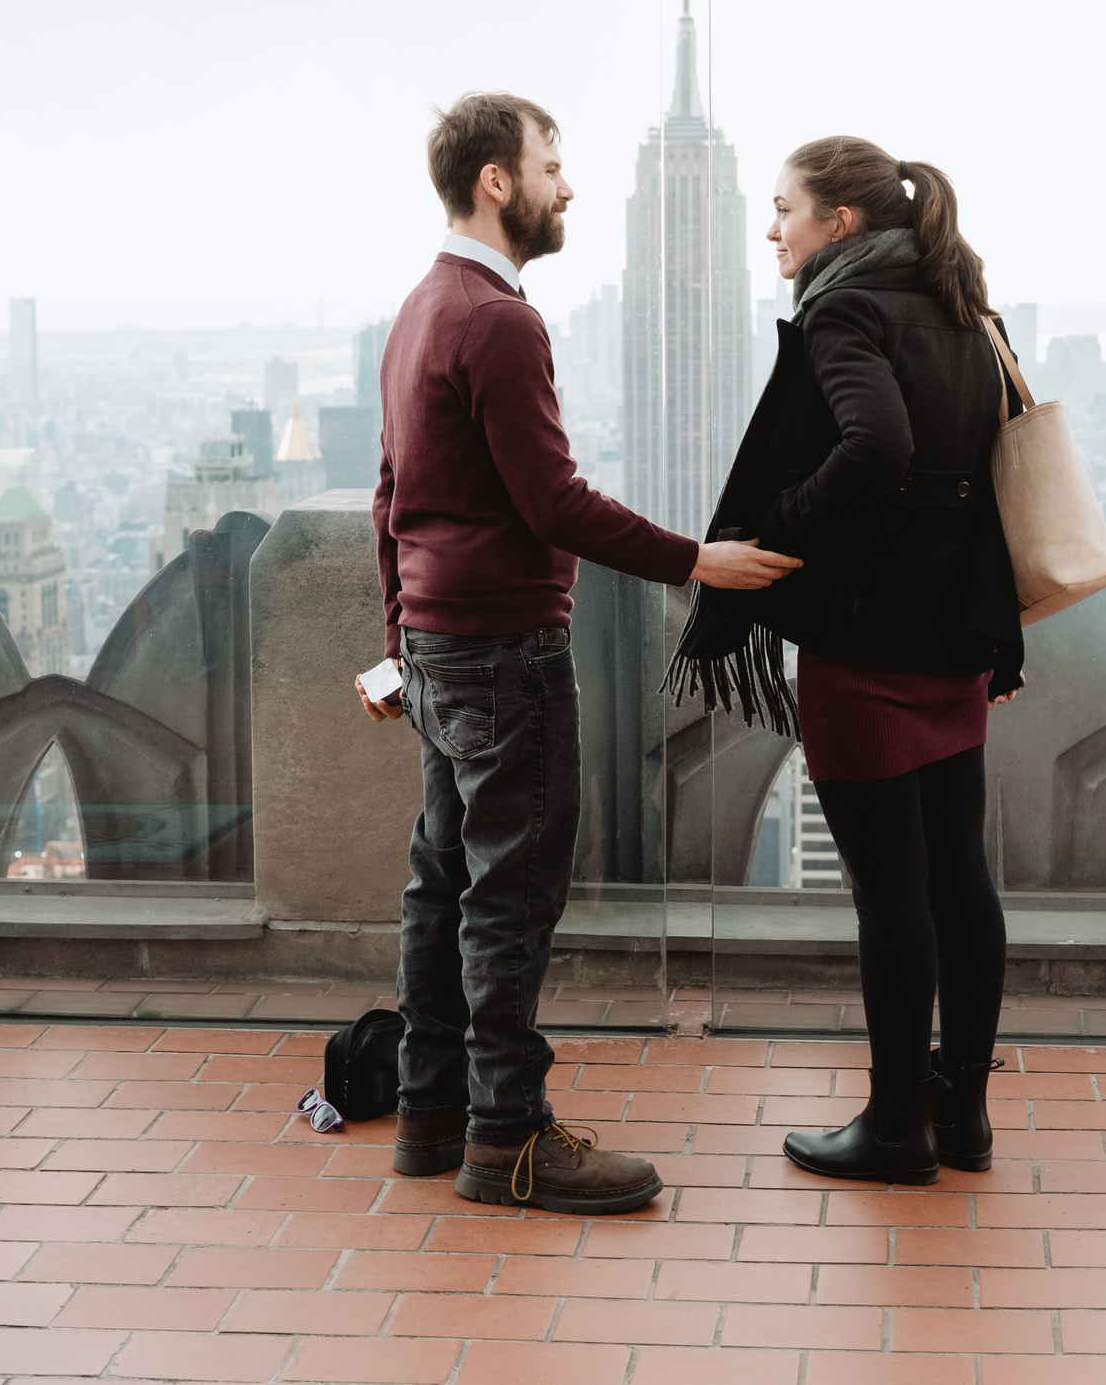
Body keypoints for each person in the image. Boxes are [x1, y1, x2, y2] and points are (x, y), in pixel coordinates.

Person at [364, 92, 800, 1215]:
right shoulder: (497, 320)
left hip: (439, 648)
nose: (567, 187)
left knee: (442, 883)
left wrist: (398, 643)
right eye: (550, 166)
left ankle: (430, 1113)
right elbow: (553, 502)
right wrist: (695, 560)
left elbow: (390, 497)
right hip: (503, 651)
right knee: (508, 897)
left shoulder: (421, 306)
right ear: (496, 180)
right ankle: (506, 1136)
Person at [669, 134, 1023, 1185]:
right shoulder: (965, 306)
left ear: (842, 221)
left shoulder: (845, 309)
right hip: (955, 638)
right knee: (959, 878)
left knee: (891, 895)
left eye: (785, 208)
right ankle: (962, 1115)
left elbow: (879, 445)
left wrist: (783, 523)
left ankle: (897, 1127)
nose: (771, 229)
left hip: (866, 648)